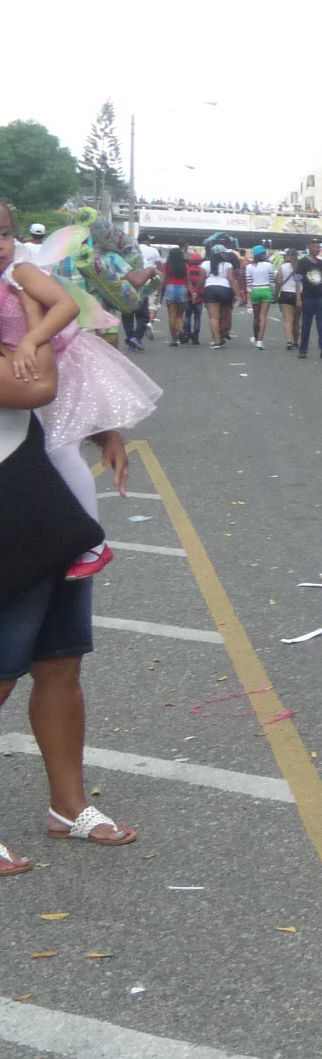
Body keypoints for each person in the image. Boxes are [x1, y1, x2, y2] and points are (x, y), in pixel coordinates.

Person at [0, 341, 139, 862]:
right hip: (11, 523)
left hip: (61, 521)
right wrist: (44, 323)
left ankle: (69, 807)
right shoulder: (26, 327)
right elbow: (37, 387)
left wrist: (104, 430)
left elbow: (62, 395)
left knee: (60, 662)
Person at [0, 204, 161, 577]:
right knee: (40, 448)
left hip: (61, 361)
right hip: (28, 369)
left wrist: (30, 341)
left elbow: (66, 305)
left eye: (5, 234)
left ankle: (93, 542)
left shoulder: (19, 272)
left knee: (60, 447)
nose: (0, 245)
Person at [295, 245, 322, 358]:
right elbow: (297, 280)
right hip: (307, 298)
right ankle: (303, 350)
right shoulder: (303, 262)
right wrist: (298, 299)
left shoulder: (320, 263)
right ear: (310, 248)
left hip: (320, 297)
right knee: (306, 325)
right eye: (316, 247)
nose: (318, 250)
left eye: (319, 248)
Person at [198, 240, 241, 347]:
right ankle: (222, 335)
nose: (226, 255)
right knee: (224, 316)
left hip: (210, 289)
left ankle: (217, 340)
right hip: (225, 290)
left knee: (213, 317)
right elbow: (232, 280)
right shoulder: (228, 265)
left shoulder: (205, 264)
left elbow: (201, 280)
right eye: (224, 253)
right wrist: (237, 293)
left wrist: (197, 292)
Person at [245, 245, 276, 349]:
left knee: (256, 316)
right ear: (263, 254)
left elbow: (248, 282)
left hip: (255, 290)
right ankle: (260, 340)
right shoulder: (269, 265)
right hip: (266, 289)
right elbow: (272, 281)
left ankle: (255, 335)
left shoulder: (249, 267)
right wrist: (274, 293)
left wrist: (249, 295)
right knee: (263, 316)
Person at [161, 244, 192, 344]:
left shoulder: (167, 265)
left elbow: (164, 279)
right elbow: (188, 280)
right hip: (182, 289)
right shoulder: (185, 265)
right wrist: (192, 292)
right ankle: (180, 331)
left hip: (170, 288)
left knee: (172, 315)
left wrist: (160, 291)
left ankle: (174, 338)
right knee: (180, 315)